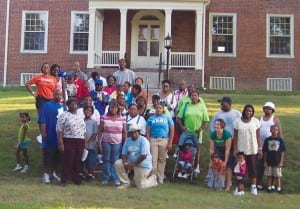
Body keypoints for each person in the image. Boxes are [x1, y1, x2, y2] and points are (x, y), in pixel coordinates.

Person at [115, 123, 158, 189]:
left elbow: (143, 156)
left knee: (141, 186)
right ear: (129, 133)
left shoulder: (144, 140)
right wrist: (125, 163)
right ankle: (126, 183)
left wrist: (133, 165)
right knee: (118, 163)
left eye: (135, 131)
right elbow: (124, 154)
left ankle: (153, 179)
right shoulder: (127, 140)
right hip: (131, 162)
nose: (133, 133)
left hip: (143, 165)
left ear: (139, 132)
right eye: (132, 132)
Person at [177, 90, 209, 174]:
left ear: (198, 97)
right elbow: (179, 117)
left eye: (195, 95)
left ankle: (195, 167)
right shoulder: (186, 105)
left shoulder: (202, 106)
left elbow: (205, 120)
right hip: (187, 131)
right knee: (184, 148)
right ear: (190, 97)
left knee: (196, 150)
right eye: (192, 95)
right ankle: (181, 167)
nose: (194, 97)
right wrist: (182, 127)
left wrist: (201, 128)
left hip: (197, 133)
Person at [233, 104, 262, 195]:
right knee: (240, 169)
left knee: (252, 168)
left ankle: (253, 187)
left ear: (252, 112)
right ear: (244, 111)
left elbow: (258, 136)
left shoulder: (255, 121)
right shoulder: (237, 122)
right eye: (247, 110)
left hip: (252, 149)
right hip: (241, 149)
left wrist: (260, 148)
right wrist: (235, 149)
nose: (248, 112)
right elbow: (235, 136)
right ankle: (240, 188)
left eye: (250, 111)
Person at [39, 89, 67, 183]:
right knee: (48, 155)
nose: (58, 96)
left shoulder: (63, 107)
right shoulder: (46, 105)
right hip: (49, 134)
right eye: (56, 94)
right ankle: (45, 175)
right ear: (53, 95)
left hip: (59, 137)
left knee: (57, 155)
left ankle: (53, 173)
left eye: (60, 95)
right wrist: (43, 132)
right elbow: (42, 120)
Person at [56, 98, 86, 185]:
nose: (74, 106)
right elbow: (59, 130)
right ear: (68, 105)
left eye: (75, 104)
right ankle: (64, 179)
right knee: (68, 160)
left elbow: (84, 129)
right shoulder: (64, 115)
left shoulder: (80, 115)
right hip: (69, 140)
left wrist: (84, 141)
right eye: (72, 104)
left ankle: (76, 178)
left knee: (78, 160)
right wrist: (61, 143)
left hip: (80, 140)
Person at [98, 100, 126, 185]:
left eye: (115, 107)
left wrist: (125, 143)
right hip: (106, 141)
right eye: (111, 107)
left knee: (115, 160)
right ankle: (106, 178)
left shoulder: (122, 118)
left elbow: (124, 132)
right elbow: (100, 131)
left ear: (117, 109)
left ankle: (115, 178)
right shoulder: (103, 117)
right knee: (106, 160)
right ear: (109, 108)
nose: (113, 109)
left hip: (117, 142)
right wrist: (99, 142)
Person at [146, 103, 174, 184]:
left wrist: (170, 142)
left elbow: (172, 130)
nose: (158, 109)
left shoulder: (167, 118)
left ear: (163, 109)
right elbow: (148, 130)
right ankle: (153, 178)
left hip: (164, 140)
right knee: (153, 160)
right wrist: (148, 140)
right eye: (157, 108)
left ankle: (160, 178)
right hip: (153, 140)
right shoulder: (151, 118)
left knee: (162, 160)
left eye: (160, 108)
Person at [257, 101, 282, 190]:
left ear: (272, 110)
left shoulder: (275, 119)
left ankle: (273, 185)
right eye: (266, 108)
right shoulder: (260, 118)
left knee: (272, 165)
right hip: (261, 145)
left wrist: (280, 143)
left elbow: (279, 133)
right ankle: (258, 183)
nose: (267, 110)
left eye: (269, 108)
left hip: (272, 146)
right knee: (260, 165)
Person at [209, 118, 234, 191]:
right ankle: (217, 183)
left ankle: (228, 185)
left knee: (228, 167)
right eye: (215, 124)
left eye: (218, 125)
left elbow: (227, 149)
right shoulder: (213, 135)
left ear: (222, 126)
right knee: (216, 165)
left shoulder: (227, 135)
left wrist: (225, 161)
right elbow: (211, 149)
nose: (216, 126)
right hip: (218, 151)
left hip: (228, 151)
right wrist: (211, 161)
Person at [263, 125, 286, 193]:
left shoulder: (280, 140)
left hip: (277, 161)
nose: (275, 131)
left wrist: (281, 161)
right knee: (269, 175)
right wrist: (265, 161)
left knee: (277, 175)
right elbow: (265, 151)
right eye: (273, 129)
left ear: (278, 131)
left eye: (276, 130)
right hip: (269, 160)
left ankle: (279, 188)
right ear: (270, 130)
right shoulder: (267, 140)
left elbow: (282, 151)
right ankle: (269, 187)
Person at [83, 105, 98, 181]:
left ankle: (90, 174)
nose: (88, 112)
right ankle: (81, 173)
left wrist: (88, 142)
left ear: (92, 112)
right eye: (86, 110)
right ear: (83, 111)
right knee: (82, 159)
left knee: (91, 159)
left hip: (91, 144)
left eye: (90, 111)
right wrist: (83, 142)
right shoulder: (81, 121)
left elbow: (95, 133)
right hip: (82, 143)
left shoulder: (94, 122)